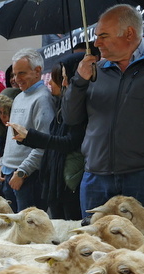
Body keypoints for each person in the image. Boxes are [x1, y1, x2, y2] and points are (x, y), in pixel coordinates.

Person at [63, 4, 144, 217]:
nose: (96, 43)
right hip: (95, 178)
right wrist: (80, 81)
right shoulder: (93, 71)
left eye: (103, 36)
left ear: (129, 34)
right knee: (93, 248)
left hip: (142, 177)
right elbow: (70, 118)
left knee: (140, 248)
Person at [9, 54, 85, 220]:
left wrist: (29, 137)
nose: (49, 83)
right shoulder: (59, 104)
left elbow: (66, 143)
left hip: (65, 182)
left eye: (59, 78)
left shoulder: (49, 101)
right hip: (54, 181)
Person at [1, 48, 54, 211]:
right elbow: (12, 135)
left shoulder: (43, 99)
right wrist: (3, 163)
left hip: (28, 178)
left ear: (38, 71)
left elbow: (44, 143)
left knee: (28, 233)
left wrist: (23, 171)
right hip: (11, 174)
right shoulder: (19, 96)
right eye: (15, 74)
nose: (17, 79)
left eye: (21, 73)